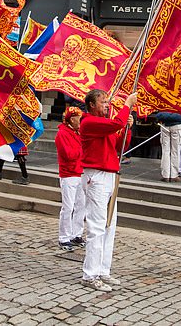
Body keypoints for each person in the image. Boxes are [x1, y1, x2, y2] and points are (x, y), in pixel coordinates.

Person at [79, 89, 134, 292]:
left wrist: (127, 129)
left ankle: (103, 269)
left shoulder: (103, 126)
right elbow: (116, 124)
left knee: (109, 226)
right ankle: (90, 273)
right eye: (103, 102)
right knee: (97, 226)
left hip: (109, 175)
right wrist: (127, 104)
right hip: (97, 176)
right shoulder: (88, 122)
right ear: (92, 105)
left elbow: (119, 146)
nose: (106, 105)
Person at [55, 105, 86, 251]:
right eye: (79, 118)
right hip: (69, 174)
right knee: (68, 207)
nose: (81, 121)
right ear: (72, 119)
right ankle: (64, 237)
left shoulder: (78, 132)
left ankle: (76, 234)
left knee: (81, 206)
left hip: (80, 172)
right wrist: (83, 151)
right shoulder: (62, 134)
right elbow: (68, 155)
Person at [152, 110, 181, 182]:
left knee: (165, 151)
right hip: (177, 124)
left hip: (165, 124)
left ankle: (165, 175)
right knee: (175, 151)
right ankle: (174, 175)